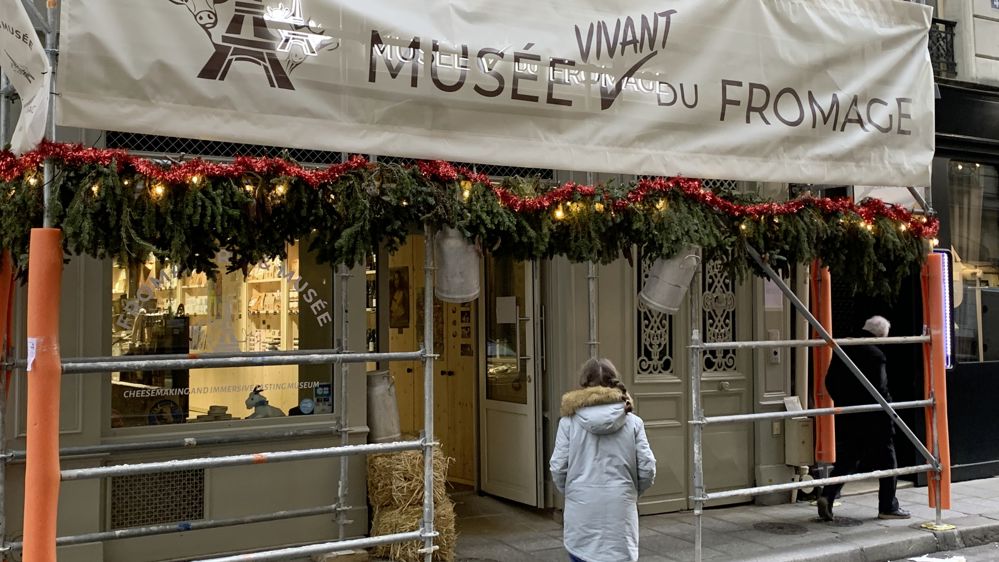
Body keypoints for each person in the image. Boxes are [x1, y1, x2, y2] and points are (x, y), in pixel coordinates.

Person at [549, 358, 656, 562]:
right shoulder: (633, 422)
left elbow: (558, 467)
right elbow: (647, 467)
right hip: (620, 507)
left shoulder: (568, 423)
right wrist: (633, 491)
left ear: (584, 384)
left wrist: (572, 490)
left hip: (581, 509)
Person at [817, 315, 911, 521]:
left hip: (851, 415)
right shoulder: (876, 355)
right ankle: (888, 506)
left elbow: (830, 381)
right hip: (875, 417)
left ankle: (828, 495)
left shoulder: (844, 349)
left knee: (848, 458)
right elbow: (881, 389)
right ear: (881, 336)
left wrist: (846, 401)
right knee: (888, 460)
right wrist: (890, 412)